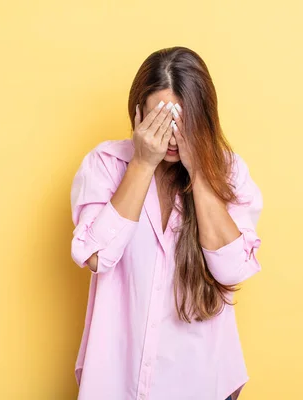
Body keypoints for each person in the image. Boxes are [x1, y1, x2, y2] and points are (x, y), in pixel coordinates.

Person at [70, 46, 264, 400]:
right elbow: (95, 256)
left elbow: (233, 269)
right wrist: (142, 164)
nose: (171, 136)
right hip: (116, 379)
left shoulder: (229, 171)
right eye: (160, 119)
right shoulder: (105, 164)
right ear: (138, 112)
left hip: (201, 380)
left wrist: (200, 170)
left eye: (182, 122)